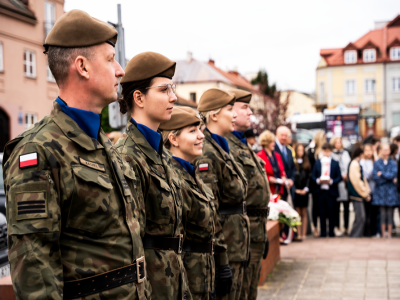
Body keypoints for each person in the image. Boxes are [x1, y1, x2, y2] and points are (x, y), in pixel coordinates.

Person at [2, 9, 149, 299]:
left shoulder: (104, 146)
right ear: (82, 67)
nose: (121, 70)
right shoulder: (38, 151)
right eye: (110, 59)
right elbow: (35, 268)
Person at [115, 52, 189, 299]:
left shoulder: (163, 154)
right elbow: (131, 242)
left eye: (173, 88)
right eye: (164, 89)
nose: (174, 96)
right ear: (139, 97)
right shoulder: (126, 156)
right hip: (152, 287)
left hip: (174, 280)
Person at [160, 107, 225, 300]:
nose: (201, 136)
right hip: (188, 279)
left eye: (200, 130)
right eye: (192, 131)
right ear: (173, 139)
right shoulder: (172, 178)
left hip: (204, 276)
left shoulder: (191, 173)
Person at [194, 88, 249, 300]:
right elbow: (211, 210)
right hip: (226, 246)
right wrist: (221, 258)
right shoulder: (206, 151)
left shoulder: (221, 147)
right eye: (230, 109)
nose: (235, 114)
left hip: (237, 243)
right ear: (214, 115)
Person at [225, 89, 270, 300]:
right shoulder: (227, 146)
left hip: (255, 230)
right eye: (244, 107)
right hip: (242, 232)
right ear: (230, 111)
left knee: (250, 291)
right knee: (241, 292)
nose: (250, 112)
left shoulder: (242, 144)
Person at [311, 143, 342, 238]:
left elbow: (339, 177)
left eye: (328, 151)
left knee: (331, 212)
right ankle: (323, 232)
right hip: (320, 191)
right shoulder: (318, 162)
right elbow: (313, 175)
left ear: (331, 152)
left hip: (331, 191)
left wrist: (332, 181)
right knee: (321, 212)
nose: (326, 153)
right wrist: (318, 180)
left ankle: (331, 232)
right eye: (324, 151)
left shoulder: (335, 163)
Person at [372, 143, 399, 238]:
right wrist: (388, 178)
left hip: (391, 192)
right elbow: (375, 177)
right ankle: (383, 234)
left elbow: (393, 175)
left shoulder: (393, 163)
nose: (386, 152)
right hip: (380, 191)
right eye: (384, 150)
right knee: (382, 213)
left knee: (390, 213)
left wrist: (382, 174)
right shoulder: (377, 162)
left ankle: (390, 234)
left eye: (387, 150)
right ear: (380, 151)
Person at [330, 136, 351, 236]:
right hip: (336, 183)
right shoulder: (332, 154)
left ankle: (346, 227)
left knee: (346, 206)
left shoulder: (346, 153)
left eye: (340, 142)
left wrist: (347, 174)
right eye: (336, 142)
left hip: (345, 182)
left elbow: (348, 165)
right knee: (336, 207)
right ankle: (337, 226)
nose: (338, 144)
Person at [348, 147, 371, 237]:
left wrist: (367, 191)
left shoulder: (356, 164)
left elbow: (362, 180)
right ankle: (354, 236)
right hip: (356, 195)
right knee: (360, 217)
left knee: (360, 217)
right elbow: (357, 182)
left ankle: (357, 235)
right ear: (361, 154)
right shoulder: (354, 164)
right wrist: (365, 194)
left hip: (358, 195)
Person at [307, 130, 326, 237]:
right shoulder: (312, 151)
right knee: (315, 207)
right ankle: (315, 228)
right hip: (315, 183)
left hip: (326, 183)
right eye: (323, 139)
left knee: (324, 207)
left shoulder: (325, 151)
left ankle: (324, 227)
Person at [257, 130, 287, 196]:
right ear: (266, 143)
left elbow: (282, 171)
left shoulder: (277, 155)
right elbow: (258, 174)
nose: (274, 143)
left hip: (279, 190)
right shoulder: (259, 156)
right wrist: (268, 178)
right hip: (267, 191)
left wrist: (283, 177)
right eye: (271, 142)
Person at [293, 144, 311, 240]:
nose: (300, 152)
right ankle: (298, 234)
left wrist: (306, 189)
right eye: (299, 150)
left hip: (304, 192)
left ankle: (304, 234)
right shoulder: (294, 163)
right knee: (297, 213)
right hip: (296, 191)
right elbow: (292, 176)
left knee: (304, 212)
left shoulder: (306, 163)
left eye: (302, 150)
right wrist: (295, 189)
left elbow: (309, 177)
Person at [274, 126, 295, 201]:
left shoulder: (289, 150)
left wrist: (291, 180)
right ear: (277, 135)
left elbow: (292, 167)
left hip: (289, 187)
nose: (284, 137)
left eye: (285, 135)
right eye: (282, 135)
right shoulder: (273, 149)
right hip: (279, 187)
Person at [360, 144, 376, 236]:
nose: (369, 152)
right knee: (367, 212)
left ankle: (373, 231)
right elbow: (366, 175)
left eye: (370, 150)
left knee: (373, 212)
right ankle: (366, 232)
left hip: (374, 190)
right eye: (366, 150)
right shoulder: (362, 162)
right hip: (366, 190)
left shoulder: (375, 161)